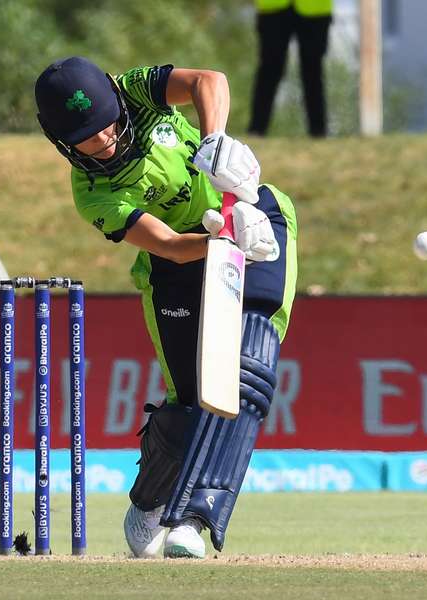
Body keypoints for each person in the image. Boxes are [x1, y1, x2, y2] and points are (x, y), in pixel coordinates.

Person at [35, 57, 298, 559]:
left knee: (248, 361)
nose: (107, 140)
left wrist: (214, 138)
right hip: (182, 262)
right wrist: (221, 241)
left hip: (255, 215)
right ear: (63, 143)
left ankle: (196, 518)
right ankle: (150, 504)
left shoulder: (135, 90)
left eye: (110, 124)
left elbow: (209, 81)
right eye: (89, 136)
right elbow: (172, 244)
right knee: (190, 404)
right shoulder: (94, 193)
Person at [248, 0, 333, 137]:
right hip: (273, 7)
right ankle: (256, 129)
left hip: (315, 8)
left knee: (313, 72)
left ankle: (319, 131)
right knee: (269, 70)